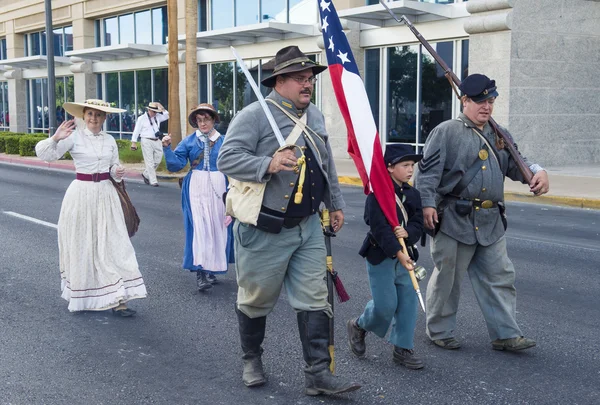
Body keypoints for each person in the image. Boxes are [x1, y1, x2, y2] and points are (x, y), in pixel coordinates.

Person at [217, 46, 360, 396]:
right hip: (265, 228)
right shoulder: (254, 115)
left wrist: (335, 203)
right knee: (255, 299)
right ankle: (251, 358)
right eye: (299, 78)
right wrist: (267, 163)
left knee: (315, 300)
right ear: (279, 81)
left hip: (308, 225)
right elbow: (227, 158)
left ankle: (318, 375)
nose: (307, 84)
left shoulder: (315, 116)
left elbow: (326, 164)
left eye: (309, 78)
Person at [414, 74, 550, 351]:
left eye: (490, 101)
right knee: (448, 279)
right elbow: (426, 174)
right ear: (465, 101)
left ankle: (505, 334)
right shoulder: (446, 131)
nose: (486, 107)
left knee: (500, 277)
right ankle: (439, 330)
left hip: (490, 221)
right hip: (453, 218)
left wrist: (538, 172)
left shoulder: (499, 133)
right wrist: (427, 204)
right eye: (480, 101)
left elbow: (517, 164)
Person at [35, 99, 147, 316]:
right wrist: (56, 138)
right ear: (83, 116)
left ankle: (119, 299)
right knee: (84, 243)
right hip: (81, 195)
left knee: (115, 244)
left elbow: (113, 166)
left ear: (105, 118)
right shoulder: (74, 137)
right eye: (90, 114)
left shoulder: (110, 140)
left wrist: (117, 171)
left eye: (98, 115)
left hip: (106, 194)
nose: (94, 119)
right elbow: (47, 155)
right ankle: (85, 295)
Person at [347, 144, 425, 370]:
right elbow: (378, 228)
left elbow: (418, 222)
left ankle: (403, 347)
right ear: (389, 167)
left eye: (412, 165)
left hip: (407, 256)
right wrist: (398, 253)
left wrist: (408, 232)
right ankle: (359, 325)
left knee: (408, 303)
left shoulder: (413, 194)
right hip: (381, 255)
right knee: (385, 305)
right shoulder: (377, 195)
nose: (411, 170)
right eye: (405, 165)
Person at [161, 104, 234, 292]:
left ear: (213, 120)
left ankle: (212, 268)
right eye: (199, 120)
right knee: (200, 228)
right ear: (195, 122)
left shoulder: (224, 141)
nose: (203, 123)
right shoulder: (189, 142)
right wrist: (167, 149)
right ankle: (201, 272)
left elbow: (235, 162)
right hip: (196, 188)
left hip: (219, 187)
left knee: (218, 226)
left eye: (206, 119)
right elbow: (176, 165)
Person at [131, 102, 169, 187]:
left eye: (155, 111)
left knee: (158, 159)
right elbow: (136, 130)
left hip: (157, 140)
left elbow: (167, 115)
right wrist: (134, 142)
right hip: (146, 140)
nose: (154, 113)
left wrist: (160, 106)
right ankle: (153, 181)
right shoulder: (142, 118)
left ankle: (145, 174)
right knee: (150, 162)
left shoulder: (158, 117)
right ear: (148, 110)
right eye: (153, 111)